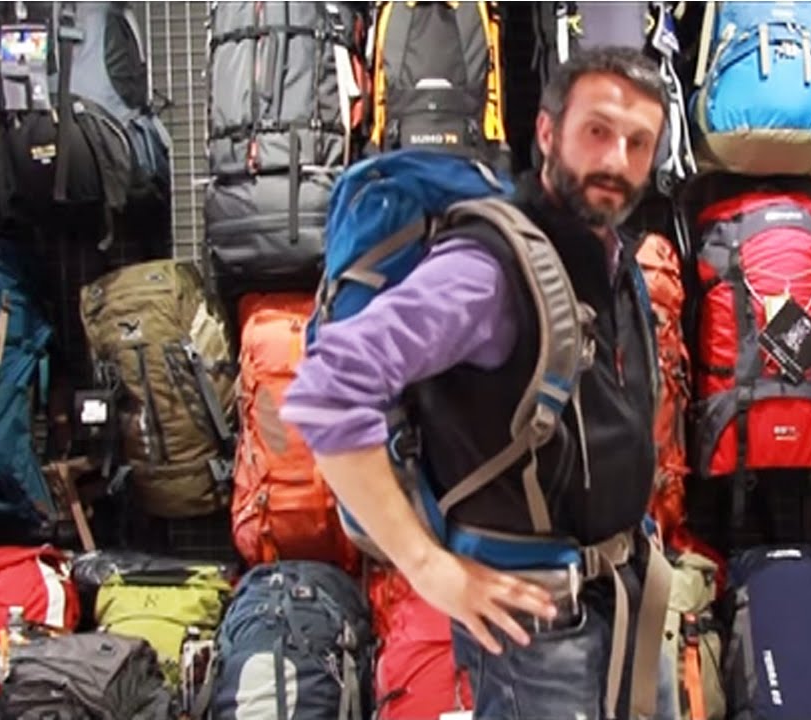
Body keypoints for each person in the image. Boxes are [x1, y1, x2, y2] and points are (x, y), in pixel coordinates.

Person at [282, 46, 677, 720]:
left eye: (638, 143)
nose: (616, 160)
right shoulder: (487, 270)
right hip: (536, 635)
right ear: (547, 132)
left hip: (625, 605)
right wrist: (426, 566)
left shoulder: (610, 257)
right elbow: (327, 389)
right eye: (597, 131)